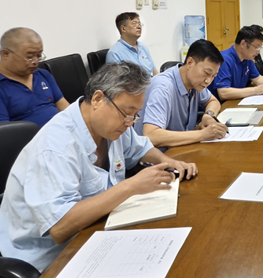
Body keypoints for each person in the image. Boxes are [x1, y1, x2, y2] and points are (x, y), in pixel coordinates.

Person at [0, 62, 197, 272]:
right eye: (127, 113)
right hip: (50, 257)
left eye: (135, 115)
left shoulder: (112, 126)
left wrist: (169, 162)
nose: (130, 122)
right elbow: (60, 228)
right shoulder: (56, 147)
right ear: (97, 99)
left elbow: (139, 148)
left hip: (98, 231)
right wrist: (130, 186)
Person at [135, 39, 228, 148]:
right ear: (190, 63)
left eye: (213, 76)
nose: (208, 81)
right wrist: (202, 134)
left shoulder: (196, 83)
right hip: (156, 154)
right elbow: (151, 135)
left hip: (181, 148)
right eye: (207, 73)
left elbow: (213, 101)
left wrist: (209, 115)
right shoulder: (163, 88)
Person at [0, 27, 69, 126]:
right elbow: (6, 132)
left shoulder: (43, 75)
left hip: (63, 129)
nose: (36, 62)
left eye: (39, 56)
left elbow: (64, 107)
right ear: (6, 54)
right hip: (31, 135)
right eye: (29, 57)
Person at [209, 27, 263, 101]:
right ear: (243, 44)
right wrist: (255, 90)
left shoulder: (247, 58)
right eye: (257, 47)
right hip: (222, 107)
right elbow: (223, 93)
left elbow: (258, 79)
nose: (258, 52)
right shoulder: (224, 59)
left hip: (237, 101)